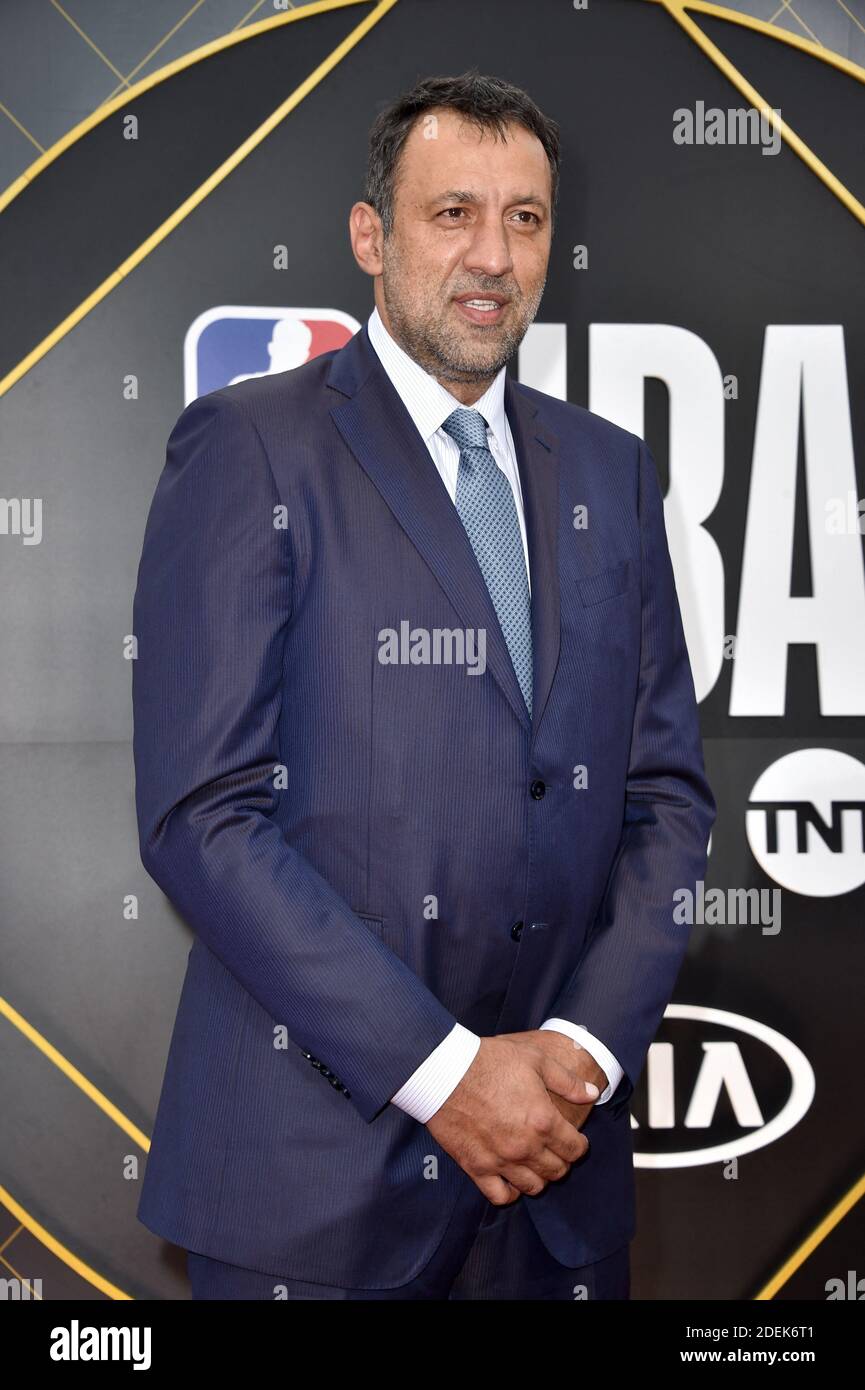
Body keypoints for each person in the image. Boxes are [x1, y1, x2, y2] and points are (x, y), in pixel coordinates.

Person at [132, 70, 716, 1301]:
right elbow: (205, 816)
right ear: (370, 236)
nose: (492, 255)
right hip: (309, 1197)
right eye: (452, 213)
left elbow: (665, 796)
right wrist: (450, 1075)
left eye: (524, 218)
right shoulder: (249, 446)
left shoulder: (609, 473)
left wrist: (574, 1056)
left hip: (557, 1178)